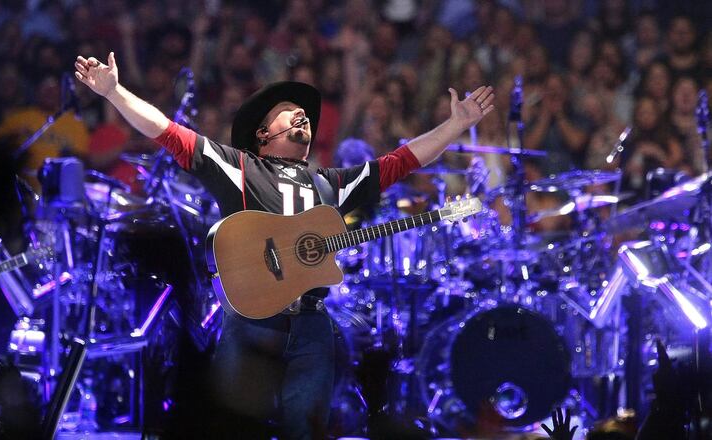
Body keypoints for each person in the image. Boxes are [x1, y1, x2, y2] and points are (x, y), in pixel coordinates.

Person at [74, 51, 494, 439]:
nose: (301, 116)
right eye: (288, 113)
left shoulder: (330, 184)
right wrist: (114, 92)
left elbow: (402, 161)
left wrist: (455, 126)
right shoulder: (239, 168)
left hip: (311, 325)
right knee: (233, 429)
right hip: (250, 321)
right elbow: (168, 133)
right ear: (262, 133)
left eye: (306, 115)